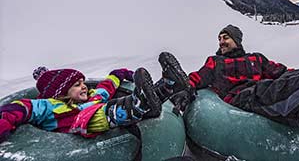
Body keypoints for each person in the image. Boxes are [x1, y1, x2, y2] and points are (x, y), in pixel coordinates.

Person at [168, 18, 299, 126]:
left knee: (295, 77)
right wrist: (185, 89)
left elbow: (281, 72)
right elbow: (197, 78)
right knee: (268, 90)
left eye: (226, 37)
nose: (221, 41)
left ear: (237, 40)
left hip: (262, 88)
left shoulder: (256, 58)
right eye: (219, 38)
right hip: (243, 98)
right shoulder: (215, 62)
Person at [0, 61, 189, 142]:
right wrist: (5, 122)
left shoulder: (93, 95)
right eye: (77, 84)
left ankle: (167, 85)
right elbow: (21, 107)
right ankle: (138, 104)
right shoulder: (50, 105)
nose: (84, 87)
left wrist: (122, 74)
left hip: (108, 117)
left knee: (116, 103)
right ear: (62, 93)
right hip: (80, 126)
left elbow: (108, 84)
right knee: (92, 114)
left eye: (83, 82)